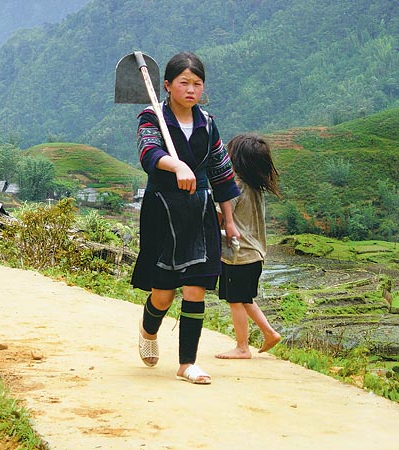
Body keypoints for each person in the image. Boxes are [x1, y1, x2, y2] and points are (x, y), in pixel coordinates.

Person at [132, 52, 241, 384]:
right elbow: (148, 152)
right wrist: (176, 164)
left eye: (197, 84)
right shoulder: (151, 117)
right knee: (163, 292)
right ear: (167, 85)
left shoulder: (207, 123)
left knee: (197, 286)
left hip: (201, 209)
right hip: (163, 209)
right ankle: (148, 330)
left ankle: (187, 363)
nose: (191, 89)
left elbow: (222, 173)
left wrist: (229, 219)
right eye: (184, 83)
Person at [215, 134, 282, 359]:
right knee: (244, 298)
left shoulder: (235, 186)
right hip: (254, 253)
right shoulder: (254, 186)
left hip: (239, 253)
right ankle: (269, 332)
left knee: (236, 300)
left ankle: (242, 347)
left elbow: (222, 216)